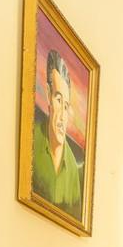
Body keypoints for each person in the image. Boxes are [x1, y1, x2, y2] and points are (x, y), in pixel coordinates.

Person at [31, 49, 84, 216]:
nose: (62, 115)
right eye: (59, 100)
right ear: (48, 95)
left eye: (66, 106)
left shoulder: (72, 167)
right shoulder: (31, 140)